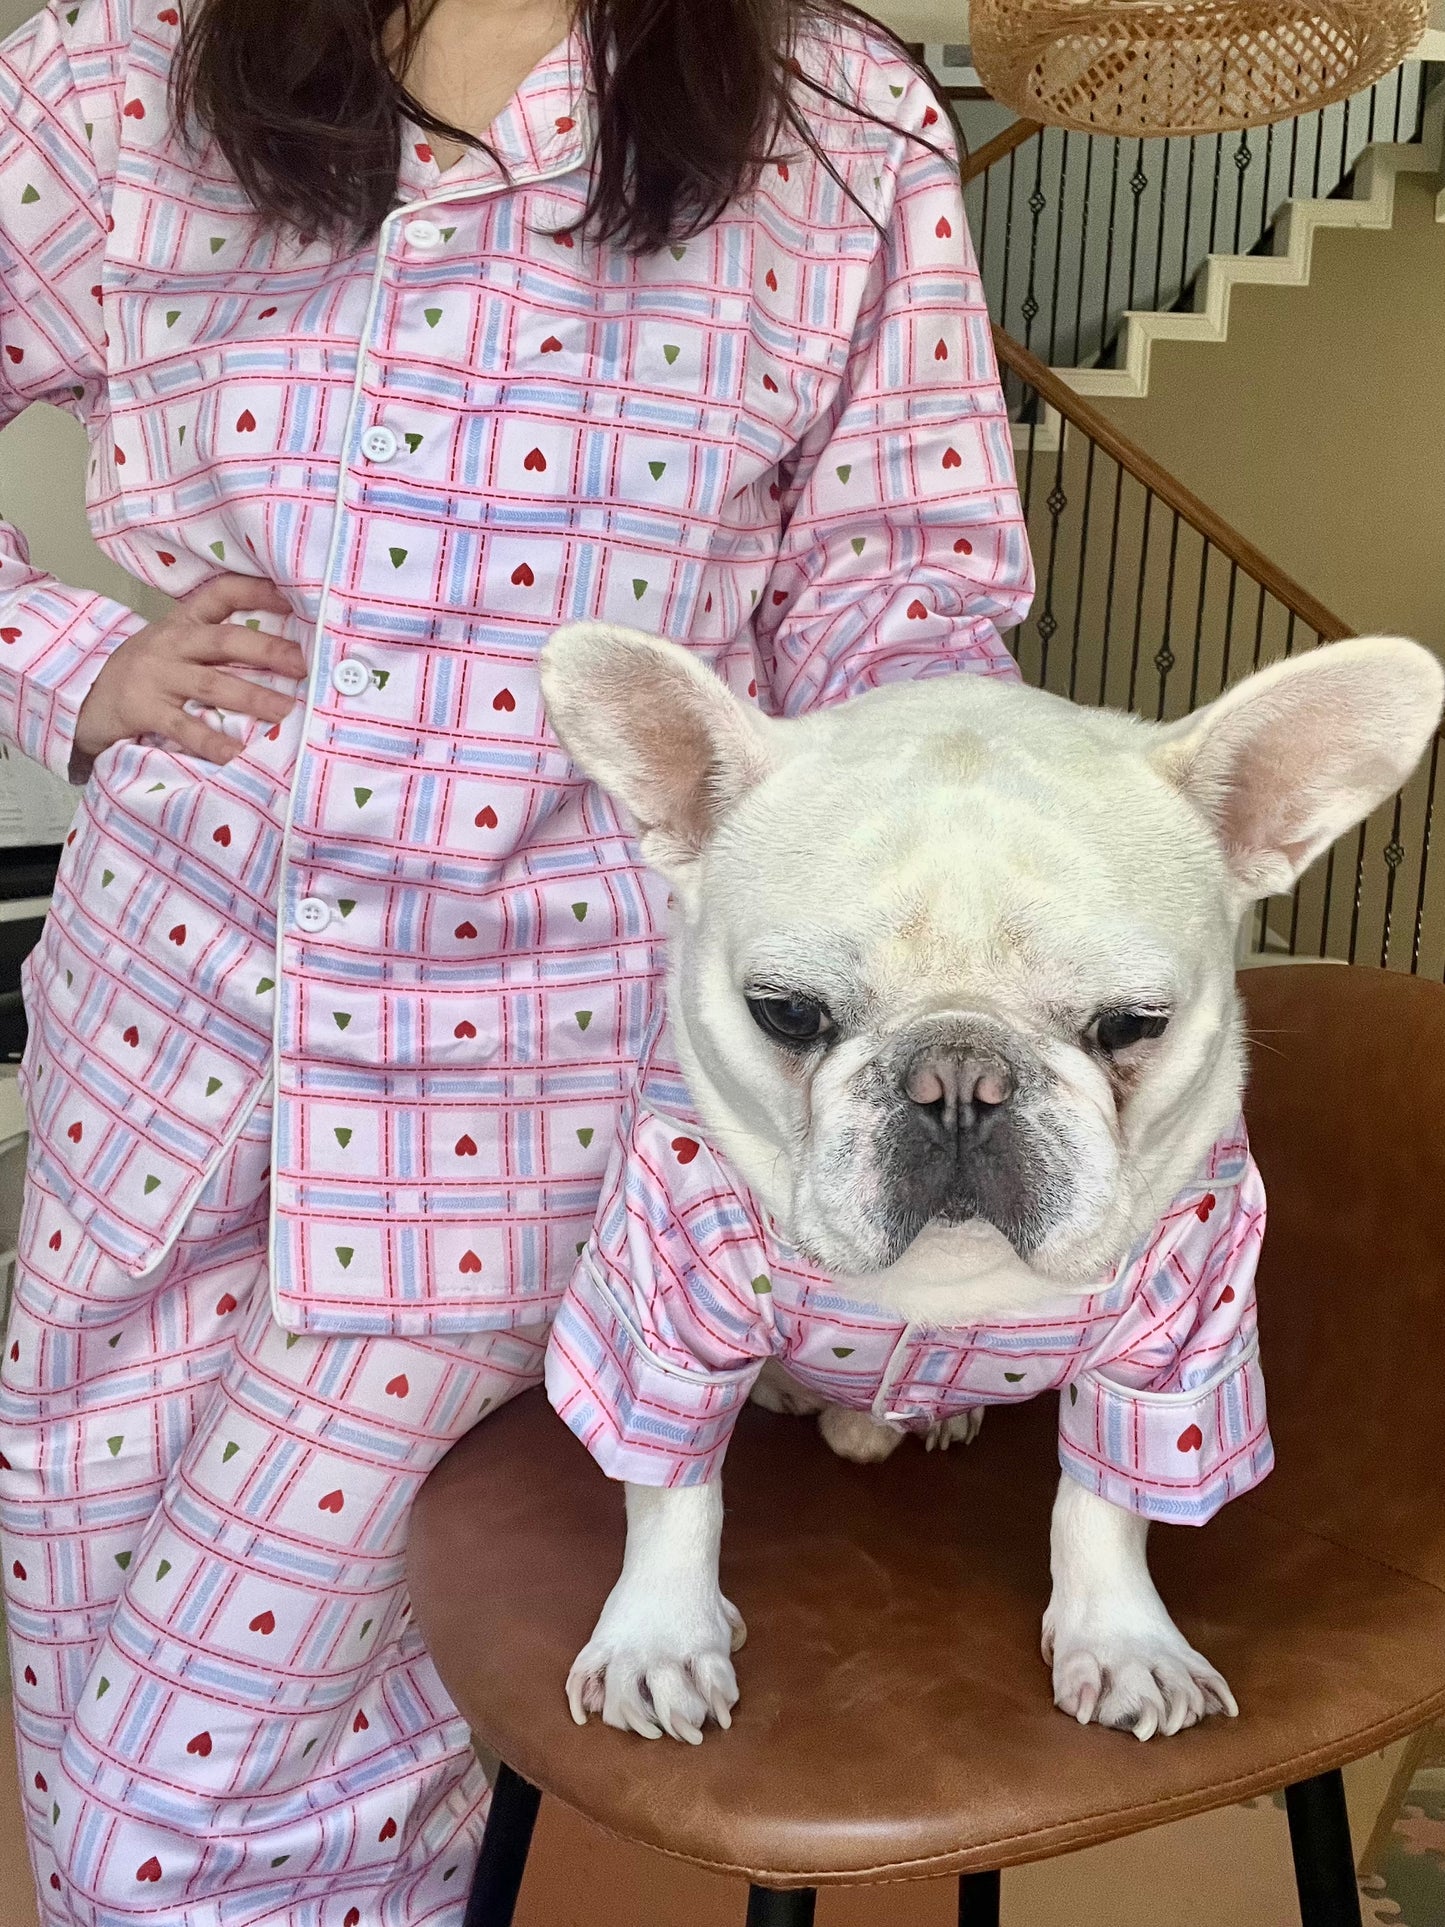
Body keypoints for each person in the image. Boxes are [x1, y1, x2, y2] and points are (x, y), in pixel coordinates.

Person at [0, 0, 1033, 1917]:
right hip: (155, 1025)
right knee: (72, 1591)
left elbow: (906, 578)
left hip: (520, 1072)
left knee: (195, 1801)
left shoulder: (832, 123)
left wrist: (925, 905)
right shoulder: (114, 66)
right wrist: (74, 666)